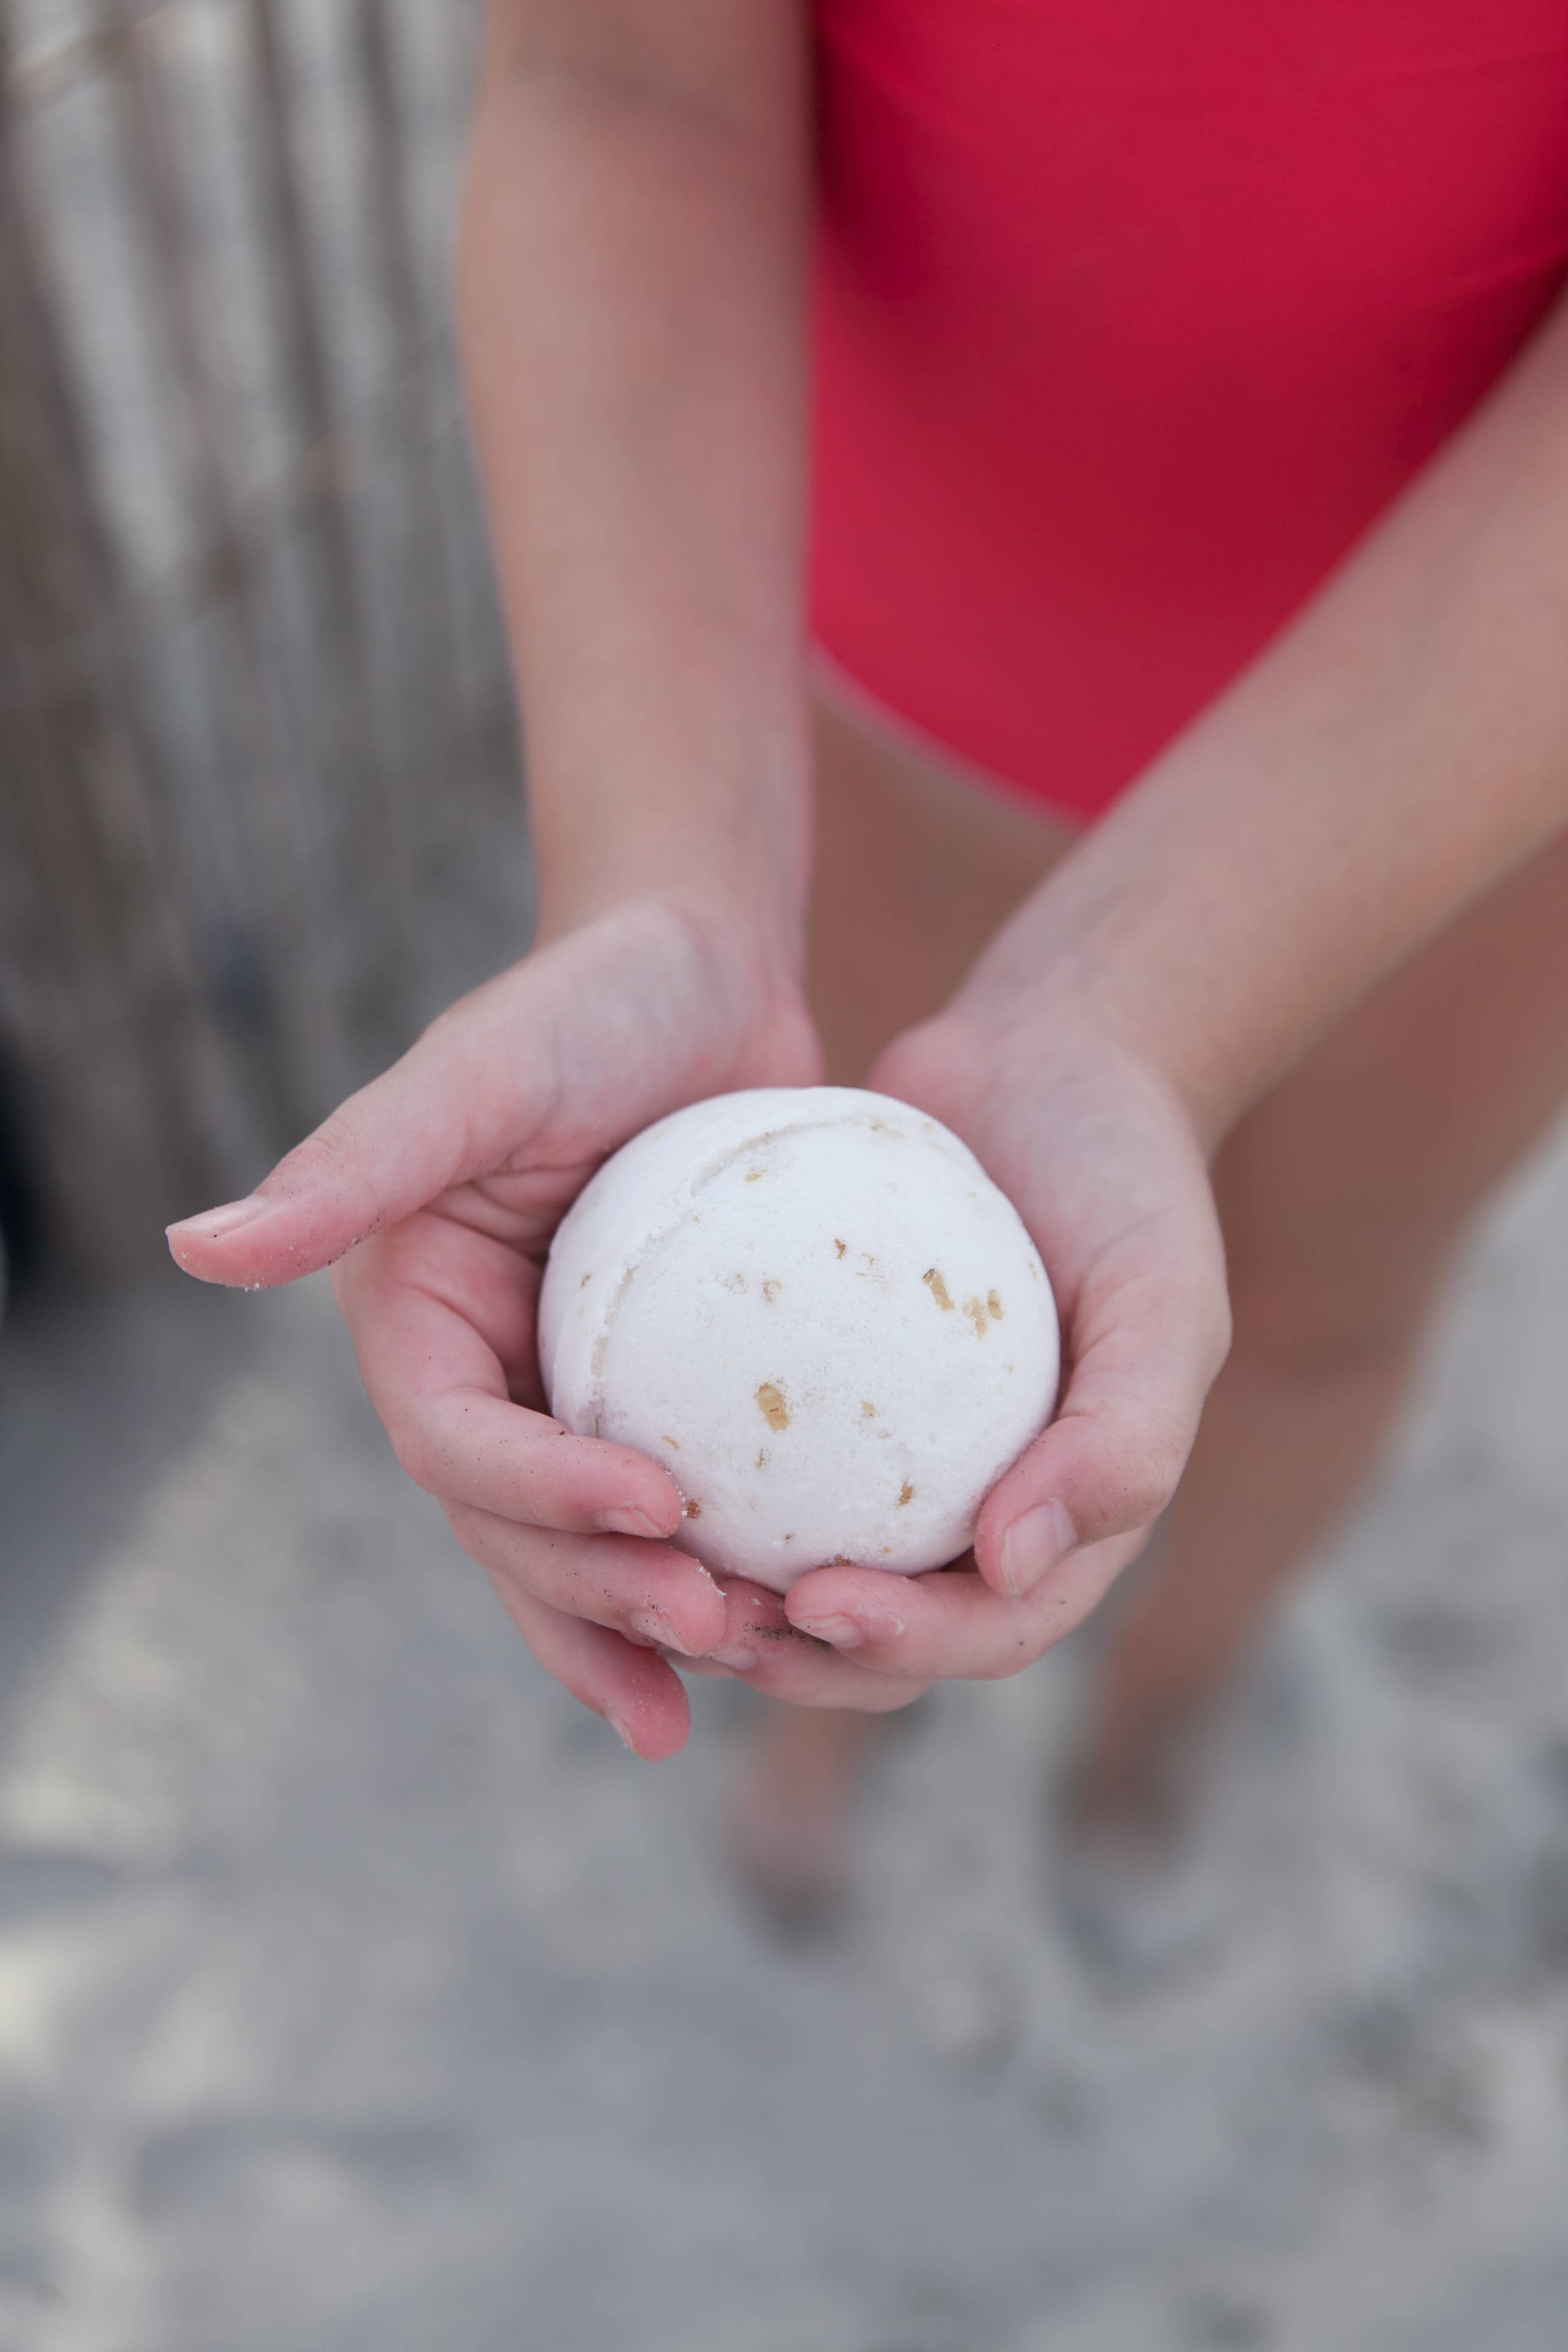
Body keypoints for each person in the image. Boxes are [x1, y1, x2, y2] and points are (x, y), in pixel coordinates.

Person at [169, 1, 1568, 1923]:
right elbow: (626, 75)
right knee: (859, 1227)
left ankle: (1164, 1704)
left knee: (1326, 1309)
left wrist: (1133, 1012)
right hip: (921, 652)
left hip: (1501, 756)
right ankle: (824, 1708)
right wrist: (677, 889)